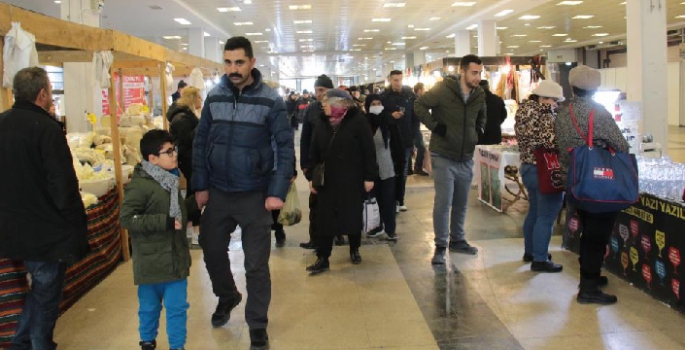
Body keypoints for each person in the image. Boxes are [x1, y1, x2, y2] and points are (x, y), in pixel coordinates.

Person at [192, 36, 294, 350]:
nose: (233, 69)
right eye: (228, 62)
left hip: (254, 194)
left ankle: (258, 325)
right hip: (220, 192)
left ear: (251, 62)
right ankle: (228, 295)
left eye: (239, 62)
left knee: (256, 265)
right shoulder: (215, 96)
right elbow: (201, 142)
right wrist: (200, 184)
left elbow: (284, 148)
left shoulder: (270, 100)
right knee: (210, 248)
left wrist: (276, 191)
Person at [0, 67, 89, 350]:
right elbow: (62, 184)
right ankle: (38, 343)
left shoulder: (2, 123)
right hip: (45, 230)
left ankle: (22, 342)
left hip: (11, 226)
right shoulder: (48, 129)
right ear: (42, 94)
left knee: (39, 290)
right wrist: (77, 228)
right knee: (46, 293)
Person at [555, 65, 629, 305]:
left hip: (575, 181)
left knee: (587, 231)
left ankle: (590, 276)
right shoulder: (599, 113)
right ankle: (588, 287)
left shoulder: (564, 113)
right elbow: (621, 147)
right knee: (597, 236)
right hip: (599, 182)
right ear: (595, 89)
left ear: (572, 88)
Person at [120, 130, 190, 350]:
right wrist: (165, 222)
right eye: (168, 151)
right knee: (149, 308)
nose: (174, 155)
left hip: (175, 259)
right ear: (152, 159)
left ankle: (177, 347)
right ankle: (147, 342)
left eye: (173, 149)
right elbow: (127, 218)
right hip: (151, 262)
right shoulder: (141, 185)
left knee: (177, 308)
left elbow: (178, 215)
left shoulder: (170, 180)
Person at [415, 54, 486, 264]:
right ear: (462, 71)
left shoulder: (479, 93)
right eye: (474, 73)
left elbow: (482, 114)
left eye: (480, 73)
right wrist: (435, 126)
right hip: (443, 154)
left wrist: (479, 129)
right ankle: (440, 245)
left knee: (462, 202)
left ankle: (458, 240)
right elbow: (419, 105)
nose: (477, 77)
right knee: (443, 203)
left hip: (465, 156)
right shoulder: (443, 90)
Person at [306, 89, 378, 275]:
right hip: (327, 180)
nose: (323, 104)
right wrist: (311, 177)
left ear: (340, 104)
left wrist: (369, 177)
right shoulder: (322, 122)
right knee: (325, 219)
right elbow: (313, 151)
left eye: (327, 101)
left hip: (351, 178)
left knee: (351, 215)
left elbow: (368, 151)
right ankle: (323, 257)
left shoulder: (358, 121)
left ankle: (354, 249)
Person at [514, 80, 565, 273]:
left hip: (527, 167)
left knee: (534, 212)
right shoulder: (545, 114)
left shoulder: (523, 110)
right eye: (555, 101)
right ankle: (540, 259)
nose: (556, 105)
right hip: (545, 170)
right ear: (545, 98)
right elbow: (550, 143)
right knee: (546, 216)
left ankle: (531, 251)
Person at [299, 74, 337, 250]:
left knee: (337, 201)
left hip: (337, 163)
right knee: (315, 203)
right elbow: (304, 139)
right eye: (316, 90)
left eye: (321, 90)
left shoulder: (340, 107)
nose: (318, 94)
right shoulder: (311, 109)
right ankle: (314, 238)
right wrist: (305, 165)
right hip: (317, 164)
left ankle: (338, 233)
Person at [364, 94, 405, 241]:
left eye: (379, 103)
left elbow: (398, 145)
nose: (376, 106)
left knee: (388, 201)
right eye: (373, 103)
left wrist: (400, 164)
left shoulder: (389, 122)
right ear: (368, 106)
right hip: (371, 171)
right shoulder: (364, 124)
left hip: (388, 169)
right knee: (373, 201)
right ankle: (376, 226)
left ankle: (391, 230)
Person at [169, 86, 202, 245]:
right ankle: (196, 230)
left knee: (192, 191)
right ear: (192, 98)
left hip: (190, 158)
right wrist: (202, 127)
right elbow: (187, 140)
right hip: (189, 159)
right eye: (199, 97)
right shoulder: (182, 118)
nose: (201, 100)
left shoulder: (185, 116)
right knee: (195, 192)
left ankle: (189, 227)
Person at [381, 70, 417, 212]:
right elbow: (379, 115)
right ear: (390, 80)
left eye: (400, 80)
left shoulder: (409, 95)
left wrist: (414, 138)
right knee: (391, 170)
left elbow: (415, 117)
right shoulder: (384, 96)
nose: (398, 83)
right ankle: (391, 200)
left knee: (403, 171)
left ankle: (400, 199)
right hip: (390, 139)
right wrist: (390, 116)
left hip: (406, 139)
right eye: (395, 80)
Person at [478, 80, 508, 145]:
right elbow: (504, 115)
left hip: (480, 136)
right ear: (488, 87)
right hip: (495, 134)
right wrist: (496, 123)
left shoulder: (476, 101)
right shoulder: (498, 99)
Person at [412, 83, 429, 176]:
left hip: (415, 127)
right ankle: (417, 167)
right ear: (419, 90)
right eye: (424, 89)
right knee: (422, 147)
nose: (425, 91)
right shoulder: (416, 100)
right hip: (414, 128)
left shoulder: (415, 99)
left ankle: (415, 167)